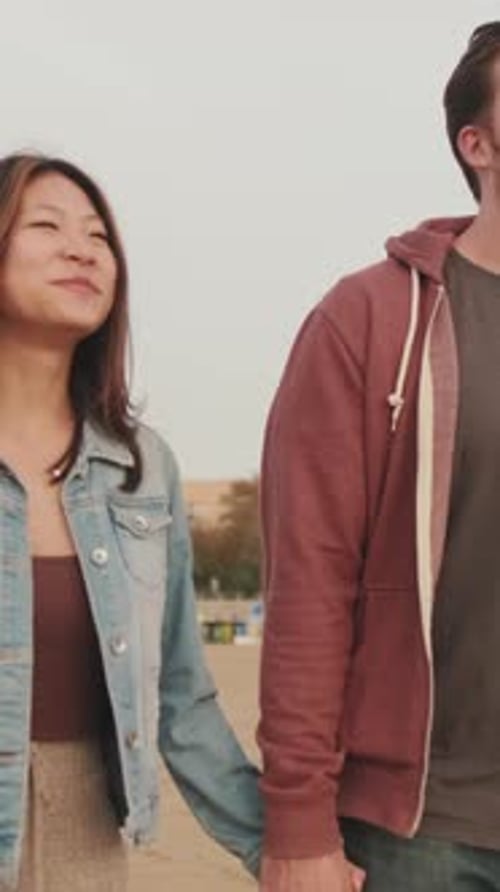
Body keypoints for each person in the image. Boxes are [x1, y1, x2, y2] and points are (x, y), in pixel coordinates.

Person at [258, 21, 500, 892]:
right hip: (424, 830)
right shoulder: (367, 321)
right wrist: (296, 824)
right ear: (477, 143)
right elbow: (310, 581)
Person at [0, 152, 262, 892]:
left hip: (91, 842)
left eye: (99, 236)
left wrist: (276, 844)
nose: (82, 249)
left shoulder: (143, 467)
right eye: (45, 226)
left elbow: (181, 695)